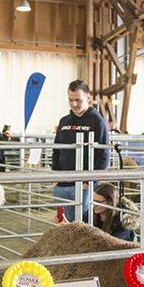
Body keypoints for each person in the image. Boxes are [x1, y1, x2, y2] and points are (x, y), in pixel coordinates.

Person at [52, 79, 110, 222]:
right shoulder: (64, 122)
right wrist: (54, 176)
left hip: (83, 186)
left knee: (83, 224)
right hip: (62, 184)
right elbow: (56, 149)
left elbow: (103, 155)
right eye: (70, 100)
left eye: (78, 100)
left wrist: (89, 181)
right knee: (63, 223)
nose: (74, 104)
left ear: (88, 98)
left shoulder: (98, 122)